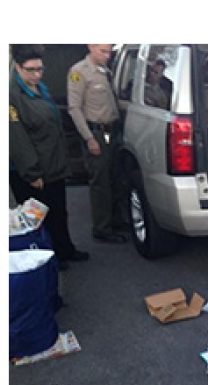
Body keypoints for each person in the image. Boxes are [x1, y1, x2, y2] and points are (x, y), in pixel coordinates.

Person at [9, 44, 89, 269]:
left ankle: (65, 250)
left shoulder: (38, 88)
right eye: (30, 70)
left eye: (40, 69)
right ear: (17, 66)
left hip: (52, 165)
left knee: (59, 212)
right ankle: (48, 259)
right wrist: (32, 172)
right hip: (31, 171)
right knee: (38, 218)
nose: (36, 75)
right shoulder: (11, 96)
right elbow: (17, 139)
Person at [67, 44, 127, 243]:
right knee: (100, 182)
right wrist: (89, 138)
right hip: (97, 132)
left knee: (115, 177)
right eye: (103, 51)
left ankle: (116, 220)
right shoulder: (79, 72)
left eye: (109, 51)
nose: (108, 55)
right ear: (91, 46)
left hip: (112, 131)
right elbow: (74, 108)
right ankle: (102, 228)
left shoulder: (106, 71)